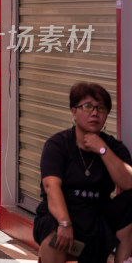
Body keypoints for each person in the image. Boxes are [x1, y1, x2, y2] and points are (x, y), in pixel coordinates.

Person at [34, 83, 132, 263]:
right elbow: (51, 187)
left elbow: (128, 183)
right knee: (54, 236)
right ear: (74, 112)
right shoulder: (58, 144)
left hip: (97, 217)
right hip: (63, 214)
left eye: (101, 108)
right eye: (87, 107)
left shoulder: (113, 147)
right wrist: (64, 223)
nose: (94, 113)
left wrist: (102, 149)